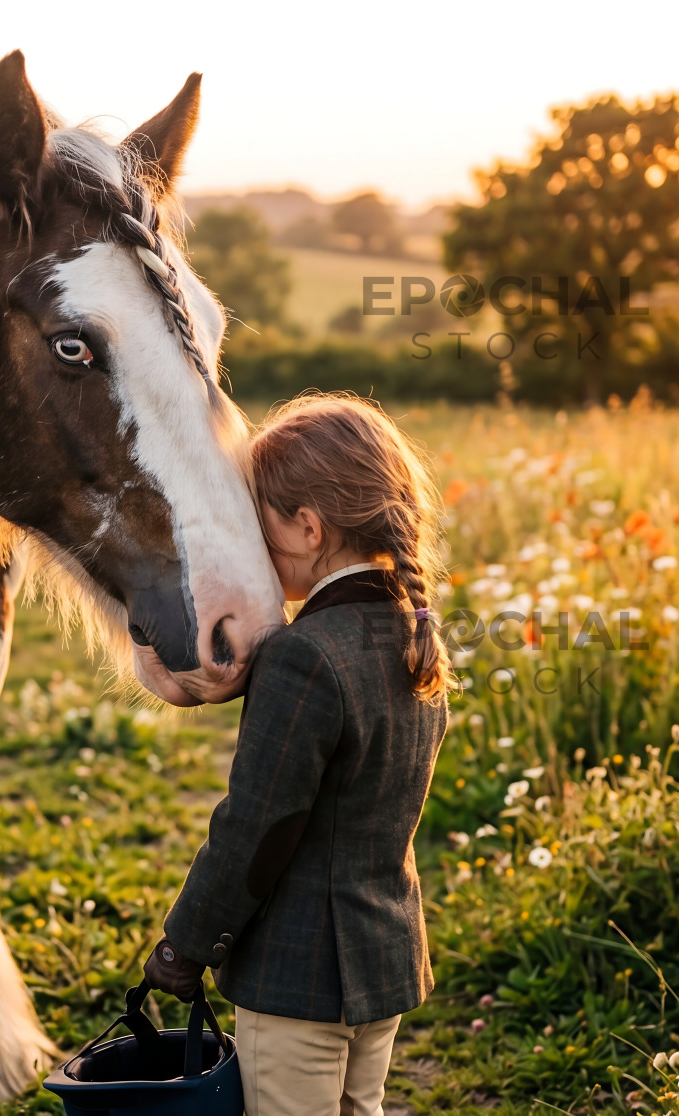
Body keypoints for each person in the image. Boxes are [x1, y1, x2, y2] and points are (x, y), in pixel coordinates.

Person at [143, 394, 451, 1116]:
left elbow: (256, 825)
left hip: (298, 977)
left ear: (309, 528)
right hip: (383, 964)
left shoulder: (303, 657)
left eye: (261, 525)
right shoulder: (412, 637)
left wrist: (185, 944)